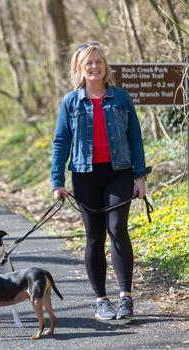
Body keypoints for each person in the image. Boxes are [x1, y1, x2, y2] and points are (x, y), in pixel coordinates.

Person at [50, 42, 151, 321]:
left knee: (117, 228)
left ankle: (125, 298)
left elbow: (134, 138)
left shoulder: (120, 98)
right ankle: (101, 300)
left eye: (98, 62)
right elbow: (61, 142)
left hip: (119, 172)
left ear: (105, 66)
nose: (94, 67)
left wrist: (140, 176)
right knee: (94, 236)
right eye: (88, 63)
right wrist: (57, 181)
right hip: (84, 176)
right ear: (80, 68)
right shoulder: (71, 102)